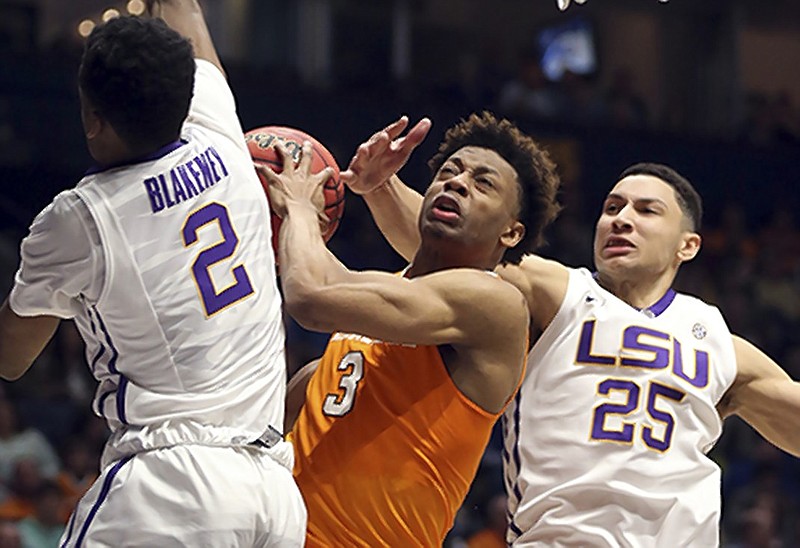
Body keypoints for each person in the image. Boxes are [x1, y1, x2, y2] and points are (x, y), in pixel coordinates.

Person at [341, 120, 800, 546]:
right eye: (612, 207)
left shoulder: (720, 343)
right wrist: (380, 187)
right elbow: (456, 249)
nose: (621, 219)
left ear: (688, 244)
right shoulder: (557, 291)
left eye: (647, 211)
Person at [0, 1, 305, 546]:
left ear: (92, 118)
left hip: (173, 488)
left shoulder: (79, 218)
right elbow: (183, 9)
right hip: (275, 493)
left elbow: (11, 356)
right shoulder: (221, 133)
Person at [257, 111, 561, 546]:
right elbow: (328, 283)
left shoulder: (496, 303)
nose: (456, 183)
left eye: (483, 183)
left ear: (511, 233)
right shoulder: (384, 295)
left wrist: (301, 210)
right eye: (449, 172)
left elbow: (310, 297)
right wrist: (376, 186)